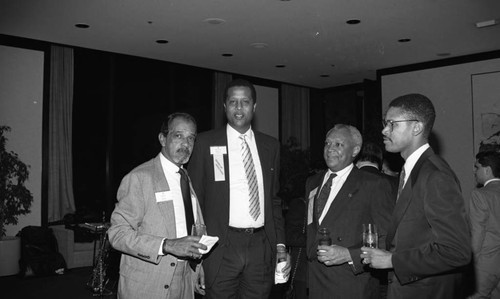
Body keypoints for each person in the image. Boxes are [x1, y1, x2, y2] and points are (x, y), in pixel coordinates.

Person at [361, 93, 472, 299]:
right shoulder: (412, 170)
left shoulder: (435, 175)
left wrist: (392, 261)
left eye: (392, 124)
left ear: (417, 127)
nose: (384, 130)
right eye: (385, 123)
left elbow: (457, 251)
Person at [188, 79, 289, 298]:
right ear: (224, 107)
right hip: (220, 248)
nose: (239, 107)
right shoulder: (205, 143)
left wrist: (280, 246)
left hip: (261, 247)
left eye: (245, 101)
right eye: (233, 102)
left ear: (254, 106)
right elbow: (195, 202)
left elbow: (274, 200)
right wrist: (195, 259)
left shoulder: (270, 146)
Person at [108, 113, 207, 299]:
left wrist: (197, 268)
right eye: (178, 136)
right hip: (147, 285)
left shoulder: (185, 178)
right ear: (162, 138)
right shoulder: (139, 178)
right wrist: (167, 245)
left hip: (186, 279)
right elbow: (117, 234)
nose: (186, 144)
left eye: (191, 138)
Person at [306, 124, 394, 298]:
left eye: (338, 144)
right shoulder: (312, 182)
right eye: (327, 143)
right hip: (315, 283)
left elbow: (388, 238)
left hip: (351, 285)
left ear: (355, 150)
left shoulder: (372, 184)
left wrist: (349, 254)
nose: (330, 149)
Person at [468, 150, 500, 299]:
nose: (474, 171)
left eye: (477, 167)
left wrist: (469, 263)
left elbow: (477, 233)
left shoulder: (480, 194)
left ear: (487, 170)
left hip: (485, 264)